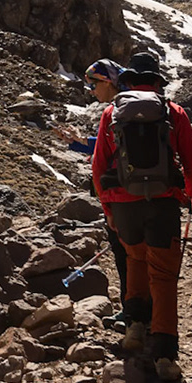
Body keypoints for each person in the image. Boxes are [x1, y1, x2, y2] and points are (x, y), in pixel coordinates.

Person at [90, 51, 192, 381]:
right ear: (156, 81)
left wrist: (109, 208)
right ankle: (165, 356)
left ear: (127, 82)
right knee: (164, 276)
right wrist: (188, 196)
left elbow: (98, 168)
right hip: (163, 202)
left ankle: (135, 328)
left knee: (135, 259)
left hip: (124, 204)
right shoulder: (174, 112)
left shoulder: (112, 113)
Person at [54, 59, 129, 303]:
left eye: (94, 84)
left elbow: (108, 146)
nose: (91, 90)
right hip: (144, 187)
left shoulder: (115, 110)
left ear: (108, 81)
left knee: (124, 252)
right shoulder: (132, 106)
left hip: (120, 192)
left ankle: (133, 309)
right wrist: (76, 142)